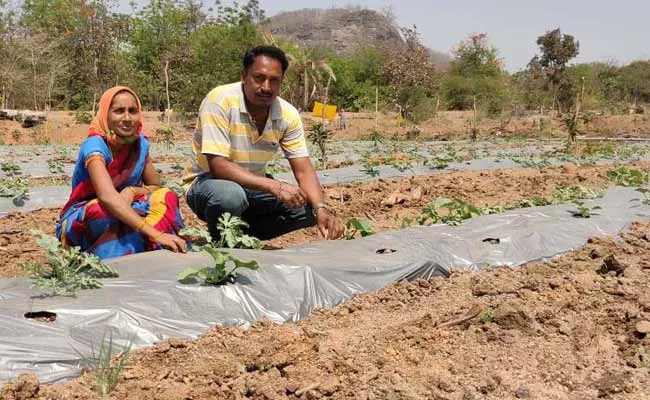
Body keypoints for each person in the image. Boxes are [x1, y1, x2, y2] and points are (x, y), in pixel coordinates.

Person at [184, 45, 345, 242]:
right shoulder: (220, 100)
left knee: (307, 207)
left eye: (274, 80)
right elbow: (219, 166)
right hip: (208, 184)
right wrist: (275, 187)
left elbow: (303, 169)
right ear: (244, 76)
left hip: (254, 186)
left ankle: (244, 237)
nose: (266, 87)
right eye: (259, 78)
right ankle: (224, 245)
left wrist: (321, 208)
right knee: (230, 196)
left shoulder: (288, 115)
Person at [56, 86, 187, 258]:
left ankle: (141, 241)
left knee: (166, 196)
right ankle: (140, 244)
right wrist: (156, 233)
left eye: (132, 111)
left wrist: (132, 191)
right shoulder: (95, 146)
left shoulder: (140, 144)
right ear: (105, 115)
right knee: (100, 212)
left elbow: (155, 185)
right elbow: (107, 198)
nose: (127, 118)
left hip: (130, 205)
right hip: (90, 213)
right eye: (119, 111)